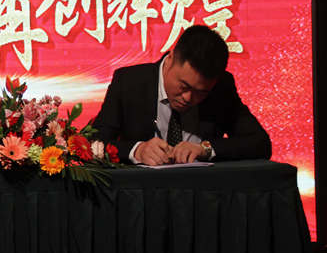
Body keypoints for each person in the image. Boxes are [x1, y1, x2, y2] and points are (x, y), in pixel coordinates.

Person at [92, 24, 271, 166]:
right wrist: (137, 150)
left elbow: (259, 143)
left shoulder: (222, 87)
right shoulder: (129, 82)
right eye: (184, 86)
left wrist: (205, 149)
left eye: (201, 92)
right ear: (170, 59)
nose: (188, 98)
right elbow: (94, 143)